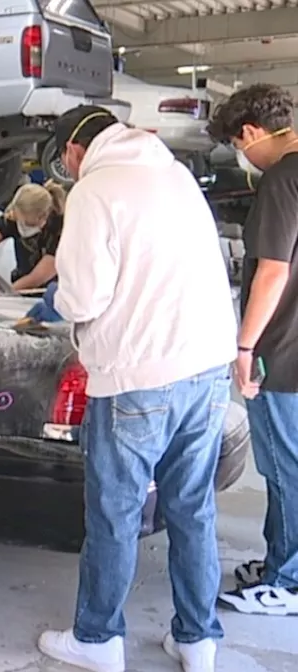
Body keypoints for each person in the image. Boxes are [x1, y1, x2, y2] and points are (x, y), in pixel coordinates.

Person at [35, 106, 237, 672]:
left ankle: (98, 638)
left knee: (115, 512)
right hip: (207, 369)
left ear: (75, 151)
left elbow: (84, 299)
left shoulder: (95, 191)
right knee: (192, 508)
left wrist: (57, 302)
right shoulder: (174, 175)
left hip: (138, 377)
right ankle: (198, 641)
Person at [208, 83, 298, 617]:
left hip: (282, 350)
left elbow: (272, 269)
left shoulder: (283, 178)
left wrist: (244, 346)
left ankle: (287, 582)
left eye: (239, 146)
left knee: (285, 468)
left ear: (250, 133)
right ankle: (276, 562)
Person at [0, 181, 66, 296]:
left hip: (53, 292)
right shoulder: (14, 216)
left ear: (42, 217)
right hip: (22, 282)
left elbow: (37, 278)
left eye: (26, 223)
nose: (21, 225)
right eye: (18, 220)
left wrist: (2, 295)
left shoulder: (61, 231)